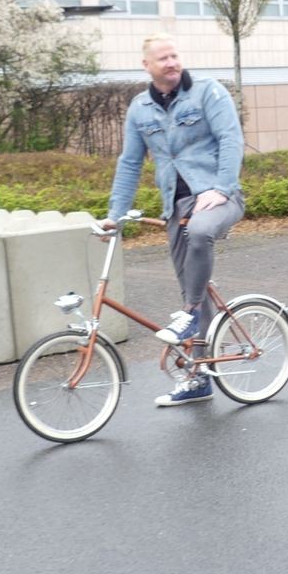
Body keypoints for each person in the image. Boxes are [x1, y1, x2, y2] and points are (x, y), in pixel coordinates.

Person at [99, 34, 245, 407]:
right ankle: (199, 378)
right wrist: (115, 215)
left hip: (218, 196)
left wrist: (223, 188)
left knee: (200, 233)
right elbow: (130, 163)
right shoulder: (140, 109)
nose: (171, 62)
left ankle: (190, 314)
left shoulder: (208, 93)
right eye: (162, 58)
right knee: (191, 284)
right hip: (175, 206)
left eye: (175, 55)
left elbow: (231, 139)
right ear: (146, 65)